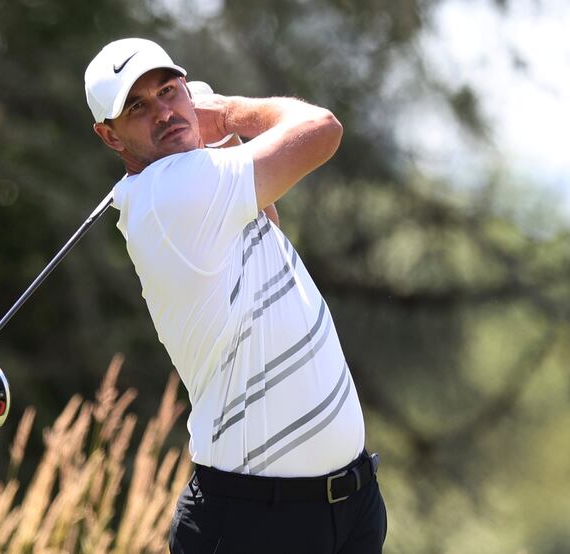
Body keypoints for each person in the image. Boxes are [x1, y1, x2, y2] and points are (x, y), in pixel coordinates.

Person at [84, 38, 387, 553]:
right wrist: (226, 113)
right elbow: (321, 131)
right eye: (138, 106)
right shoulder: (173, 191)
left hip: (347, 505)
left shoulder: (200, 186)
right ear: (111, 137)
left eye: (169, 90)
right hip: (256, 523)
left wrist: (203, 135)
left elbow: (265, 217)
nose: (163, 111)